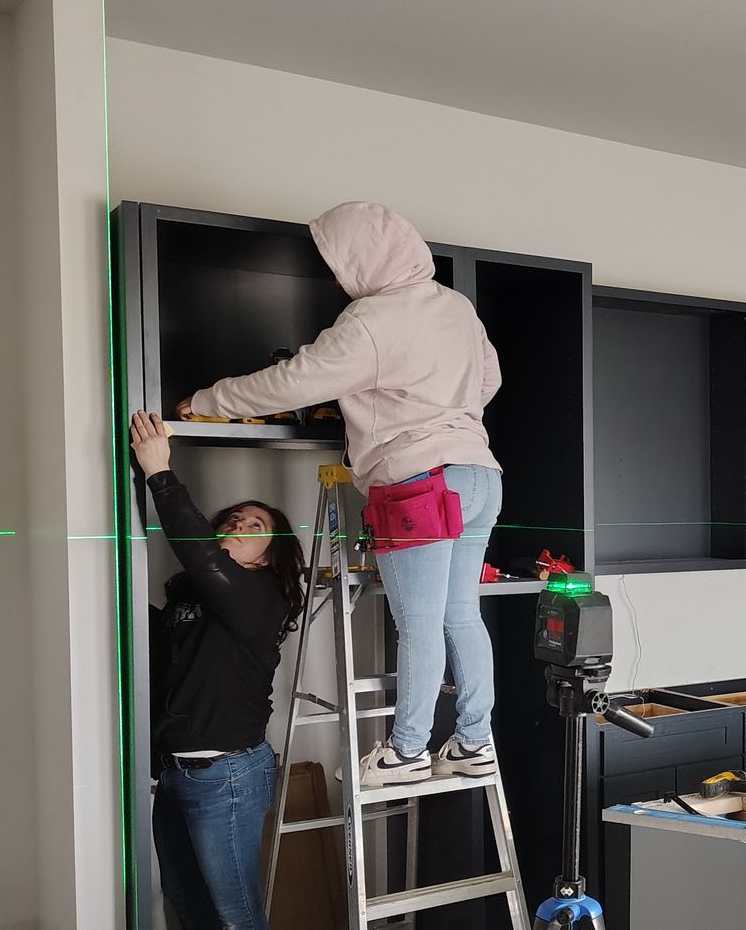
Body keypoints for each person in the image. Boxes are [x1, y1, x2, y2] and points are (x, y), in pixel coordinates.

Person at [177, 201, 504, 789]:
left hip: (420, 481)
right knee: (461, 614)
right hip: (480, 473)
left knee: (421, 622)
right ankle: (474, 741)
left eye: (337, 260)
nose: (335, 274)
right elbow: (489, 379)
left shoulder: (373, 319)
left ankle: (406, 753)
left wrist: (208, 401)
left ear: (361, 258)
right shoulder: (455, 306)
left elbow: (295, 378)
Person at [130, 411, 306, 930]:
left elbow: (199, 555)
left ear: (269, 556)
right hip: (176, 773)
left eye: (253, 526)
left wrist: (158, 470)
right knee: (185, 893)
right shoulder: (192, 602)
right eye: (230, 518)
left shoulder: (256, 600)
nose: (236, 527)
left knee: (235, 907)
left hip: (229, 775)